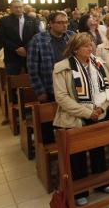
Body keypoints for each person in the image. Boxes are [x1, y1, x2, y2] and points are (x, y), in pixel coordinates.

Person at [52, 32, 109, 206]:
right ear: (76, 49)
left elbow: (107, 86)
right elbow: (62, 98)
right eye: (86, 45)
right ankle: (80, 191)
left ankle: (102, 183)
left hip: (98, 112)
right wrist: (87, 113)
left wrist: (101, 107)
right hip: (74, 117)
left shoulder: (97, 63)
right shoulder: (62, 67)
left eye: (91, 44)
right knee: (77, 156)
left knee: (98, 151)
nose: (91, 48)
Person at [27, 11, 75, 142]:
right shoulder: (38, 39)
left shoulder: (71, 36)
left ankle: (68, 147)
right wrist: (40, 91)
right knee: (48, 121)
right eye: (60, 23)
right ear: (51, 24)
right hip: (49, 87)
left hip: (71, 87)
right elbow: (32, 68)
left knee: (70, 121)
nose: (64, 25)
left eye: (66, 22)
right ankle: (48, 149)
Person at [0, 0, 41, 75]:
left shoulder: (32, 20)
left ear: (23, 7)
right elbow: (1, 38)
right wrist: (16, 48)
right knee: (12, 82)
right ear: (10, 8)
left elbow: (37, 36)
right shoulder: (4, 20)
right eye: (15, 7)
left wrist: (26, 48)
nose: (18, 9)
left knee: (31, 80)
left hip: (29, 55)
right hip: (11, 56)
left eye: (20, 7)